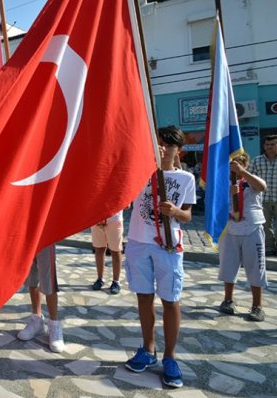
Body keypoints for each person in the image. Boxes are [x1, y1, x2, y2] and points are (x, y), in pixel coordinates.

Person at [124, 126, 195, 389]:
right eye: (159, 143)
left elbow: (187, 216)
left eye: (168, 144)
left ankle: (170, 356)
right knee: (144, 297)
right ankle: (148, 348)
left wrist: (175, 211)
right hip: (138, 243)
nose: (162, 147)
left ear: (179, 149)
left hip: (167, 246)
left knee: (170, 300)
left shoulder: (185, 178)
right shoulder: (140, 173)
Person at [218, 152, 268, 322]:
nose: (235, 165)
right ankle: (228, 299)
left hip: (251, 228)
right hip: (230, 229)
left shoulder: (251, 180)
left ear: (245, 164)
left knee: (255, 267)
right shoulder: (224, 182)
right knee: (228, 267)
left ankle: (257, 305)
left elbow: (262, 187)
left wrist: (243, 173)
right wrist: (227, 192)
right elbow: (215, 203)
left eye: (239, 162)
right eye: (233, 162)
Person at [248, 135, 277, 259]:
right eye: (267, 144)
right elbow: (249, 178)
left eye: (272, 144)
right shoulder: (256, 161)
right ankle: (268, 247)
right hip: (263, 199)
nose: (269, 147)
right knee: (264, 225)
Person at [16, 244, 65, 353]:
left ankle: (54, 324)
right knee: (31, 277)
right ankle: (36, 320)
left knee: (48, 279)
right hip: (29, 234)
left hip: (46, 234)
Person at [91, 210, 124, 295]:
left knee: (115, 250)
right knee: (99, 249)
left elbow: (126, 204)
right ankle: (100, 279)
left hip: (114, 219)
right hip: (96, 218)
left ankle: (116, 282)